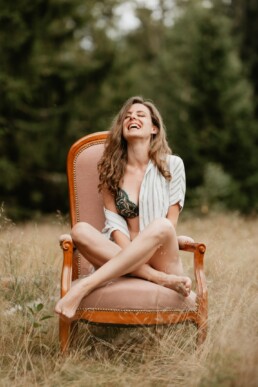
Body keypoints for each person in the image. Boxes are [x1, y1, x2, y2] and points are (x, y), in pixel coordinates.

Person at [55, 96, 192, 321]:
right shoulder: (111, 170)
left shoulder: (173, 165)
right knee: (79, 230)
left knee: (162, 225)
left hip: (161, 254)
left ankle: (83, 287)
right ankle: (158, 279)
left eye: (140, 115)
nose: (132, 118)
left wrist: (136, 255)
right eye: (127, 116)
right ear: (122, 128)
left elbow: (171, 223)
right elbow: (115, 224)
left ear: (154, 128)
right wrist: (131, 256)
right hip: (121, 252)